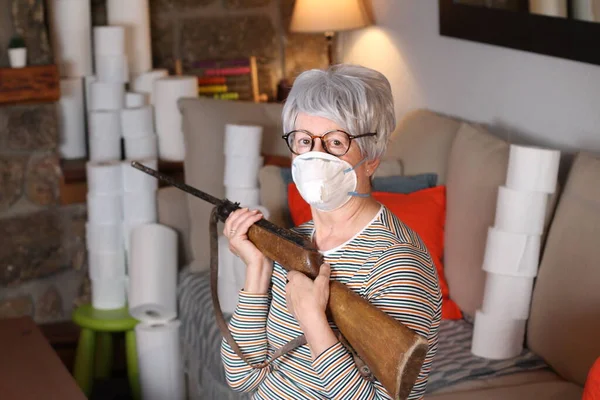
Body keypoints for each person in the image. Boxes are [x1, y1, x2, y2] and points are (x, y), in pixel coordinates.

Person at [221, 64, 442, 400]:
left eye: (336, 142)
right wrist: (258, 268)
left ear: (372, 157)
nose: (315, 156)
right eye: (304, 140)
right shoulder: (294, 243)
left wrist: (313, 321)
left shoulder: (398, 262)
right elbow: (241, 377)